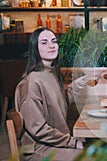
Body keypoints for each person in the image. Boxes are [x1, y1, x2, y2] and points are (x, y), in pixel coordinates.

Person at [14, 27, 88, 161]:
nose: (51, 45)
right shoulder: (31, 83)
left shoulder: (51, 73)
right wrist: (72, 142)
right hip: (39, 149)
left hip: (56, 142)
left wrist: (75, 87)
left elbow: (58, 105)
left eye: (54, 41)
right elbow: (38, 129)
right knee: (92, 157)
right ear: (34, 48)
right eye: (44, 42)